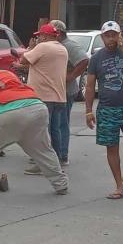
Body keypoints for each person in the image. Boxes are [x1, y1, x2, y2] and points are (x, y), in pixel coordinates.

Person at [0, 63, 69, 197]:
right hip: (37, 108)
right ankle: (61, 184)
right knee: (43, 150)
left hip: (8, 112)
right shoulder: (7, 73)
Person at [84, 21, 123, 199]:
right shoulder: (96, 58)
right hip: (107, 109)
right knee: (111, 147)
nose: (111, 38)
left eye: (114, 35)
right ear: (103, 37)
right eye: (107, 35)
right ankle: (119, 184)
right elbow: (90, 86)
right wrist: (88, 111)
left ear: (120, 36)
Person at [15, 23, 69, 171]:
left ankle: (43, 164)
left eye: (39, 36)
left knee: (40, 132)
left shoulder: (43, 47)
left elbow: (24, 60)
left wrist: (31, 47)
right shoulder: (62, 49)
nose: (37, 38)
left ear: (45, 36)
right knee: (54, 130)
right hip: (59, 96)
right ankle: (57, 160)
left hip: (43, 96)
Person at [51, 20, 89, 166]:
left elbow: (84, 60)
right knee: (54, 123)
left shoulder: (70, 46)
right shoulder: (56, 46)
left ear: (58, 33)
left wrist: (72, 76)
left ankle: (62, 154)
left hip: (65, 91)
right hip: (54, 91)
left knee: (61, 123)